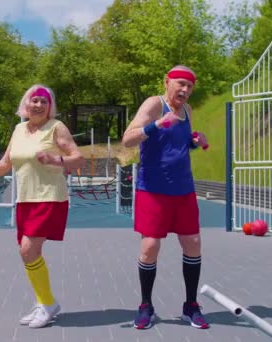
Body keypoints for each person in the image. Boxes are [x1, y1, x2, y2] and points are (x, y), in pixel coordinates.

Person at [0, 84, 85, 328]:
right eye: (33, 100)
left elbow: (78, 159)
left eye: (43, 102)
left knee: (27, 250)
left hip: (49, 197)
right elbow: (6, 163)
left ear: (50, 107)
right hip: (25, 199)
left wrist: (55, 159)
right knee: (30, 254)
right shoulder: (18, 129)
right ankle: (43, 302)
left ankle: (47, 303)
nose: (38, 105)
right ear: (25, 105)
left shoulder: (56, 127)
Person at [121, 65, 210, 330]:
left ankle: (191, 306)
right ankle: (146, 306)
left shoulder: (188, 111)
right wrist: (156, 124)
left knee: (193, 243)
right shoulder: (154, 104)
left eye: (189, 86)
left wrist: (195, 140)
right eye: (180, 84)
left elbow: (177, 144)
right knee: (150, 247)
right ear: (167, 82)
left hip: (183, 188)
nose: (184, 90)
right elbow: (127, 139)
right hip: (153, 189)